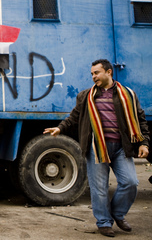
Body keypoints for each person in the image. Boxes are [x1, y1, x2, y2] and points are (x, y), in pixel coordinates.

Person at [43, 59, 149, 237]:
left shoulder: (128, 94)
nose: (93, 77)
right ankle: (104, 222)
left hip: (122, 147)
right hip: (97, 146)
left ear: (109, 72)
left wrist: (144, 142)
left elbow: (140, 118)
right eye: (92, 74)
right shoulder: (86, 96)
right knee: (99, 187)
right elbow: (74, 116)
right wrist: (60, 128)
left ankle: (117, 213)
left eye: (97, 73)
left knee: (131, 182)